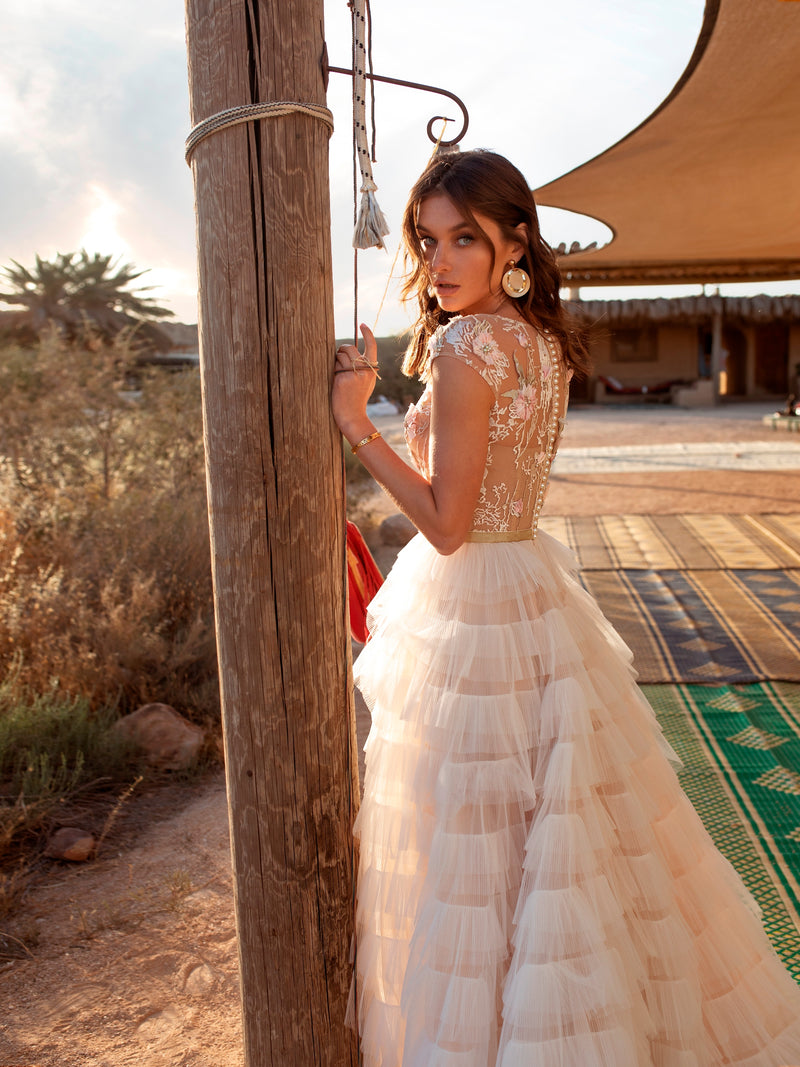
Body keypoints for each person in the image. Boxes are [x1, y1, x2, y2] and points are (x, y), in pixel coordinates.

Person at [331, 149, 800, 1066]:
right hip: (535, 587)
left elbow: (447, 523)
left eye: (467, 237)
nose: (444, 261)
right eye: (430, 242)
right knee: (552, 832)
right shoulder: (538, 342)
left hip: (476, 602)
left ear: (514, 241)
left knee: (478, 838)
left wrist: (360, 426)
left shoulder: (470, 346)